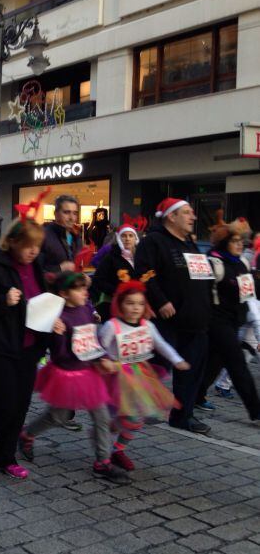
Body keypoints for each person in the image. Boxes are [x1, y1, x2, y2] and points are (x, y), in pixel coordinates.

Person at [19, 272, 130, 484]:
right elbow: (60, 354)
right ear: (64, 294)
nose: (85, 293)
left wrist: (102, 357)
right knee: (57, 417)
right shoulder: (58, 318)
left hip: (89, 372)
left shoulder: (86, 308)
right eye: (79, 289)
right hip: (68, 374)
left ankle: (102, 462)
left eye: (85, 289)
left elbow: (93, 340)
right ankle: (26, 435)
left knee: (102, 417)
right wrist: (60, 336)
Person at [0, 206, 49, 480]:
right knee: (3, 401)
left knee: (21, 404)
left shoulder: (35, 266)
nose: (33, 251)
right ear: (13, 241)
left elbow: (39, 299)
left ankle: (5, 456)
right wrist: (3, 301)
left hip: (28, 346)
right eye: (28, 246)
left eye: (37, 246)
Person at [135, 198, 212, 434]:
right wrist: (160, 301)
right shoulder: (154, 242)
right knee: (156, 366)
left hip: (196, 319)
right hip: (168, 320)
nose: (193, 217)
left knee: (190, 370)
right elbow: (144, 274)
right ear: (171, 216)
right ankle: (131, 403)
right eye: (187, 213)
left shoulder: (190, 243)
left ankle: (183, 416)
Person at [99, 279, 190, 471]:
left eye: (140, 304)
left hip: (140, 374)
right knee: (112, 416)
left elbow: (161, 344)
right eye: (130, 303)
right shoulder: (112, 326)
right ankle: (103, 452)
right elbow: (100, 348)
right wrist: (104, 362)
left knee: (136, 418)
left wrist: (176, 360)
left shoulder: (147, 326)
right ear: (120, 304)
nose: (135, 308)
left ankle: (118, 450)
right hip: (115, 377)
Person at [195, 217, 260, 421]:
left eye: (242, 241)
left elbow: (249, 296)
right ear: (224, 242)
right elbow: (200, 294)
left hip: (235, 321)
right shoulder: (213, 262)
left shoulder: (242, 263)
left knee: (216, 361)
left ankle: (197, 394)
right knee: (237, 362)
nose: (240, 244)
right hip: (216, 321)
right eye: (234, 241)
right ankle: (256, 411)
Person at [92, 223, 139, 321]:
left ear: (135, 239)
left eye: (131, 235)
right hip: (114, 305)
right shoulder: (111, 257)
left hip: (136, 305)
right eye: (124, 236)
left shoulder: (141, 257)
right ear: (118, 239)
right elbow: (98, 280)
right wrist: (117, 291)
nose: (127, 239)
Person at [41, 194, 82, 273]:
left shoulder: (76, 237)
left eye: (75, 213)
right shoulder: (43, 236)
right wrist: (60, 268)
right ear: (56, 214)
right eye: (66, 212)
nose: (72, 218)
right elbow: (34, 271)